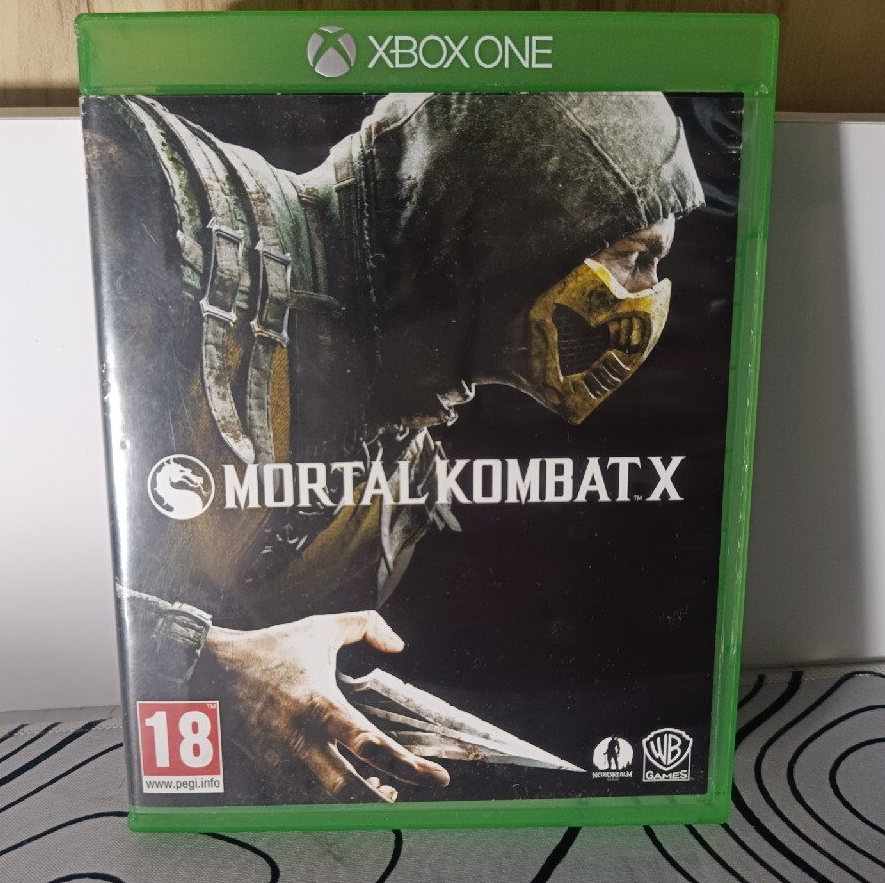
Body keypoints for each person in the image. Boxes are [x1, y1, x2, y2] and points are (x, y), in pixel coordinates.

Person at [83, 91, 703, 803]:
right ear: (513, 216)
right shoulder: (141, 190)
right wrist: (204, 662)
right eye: (632, 256)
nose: (648, 299)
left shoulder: (405, 462)